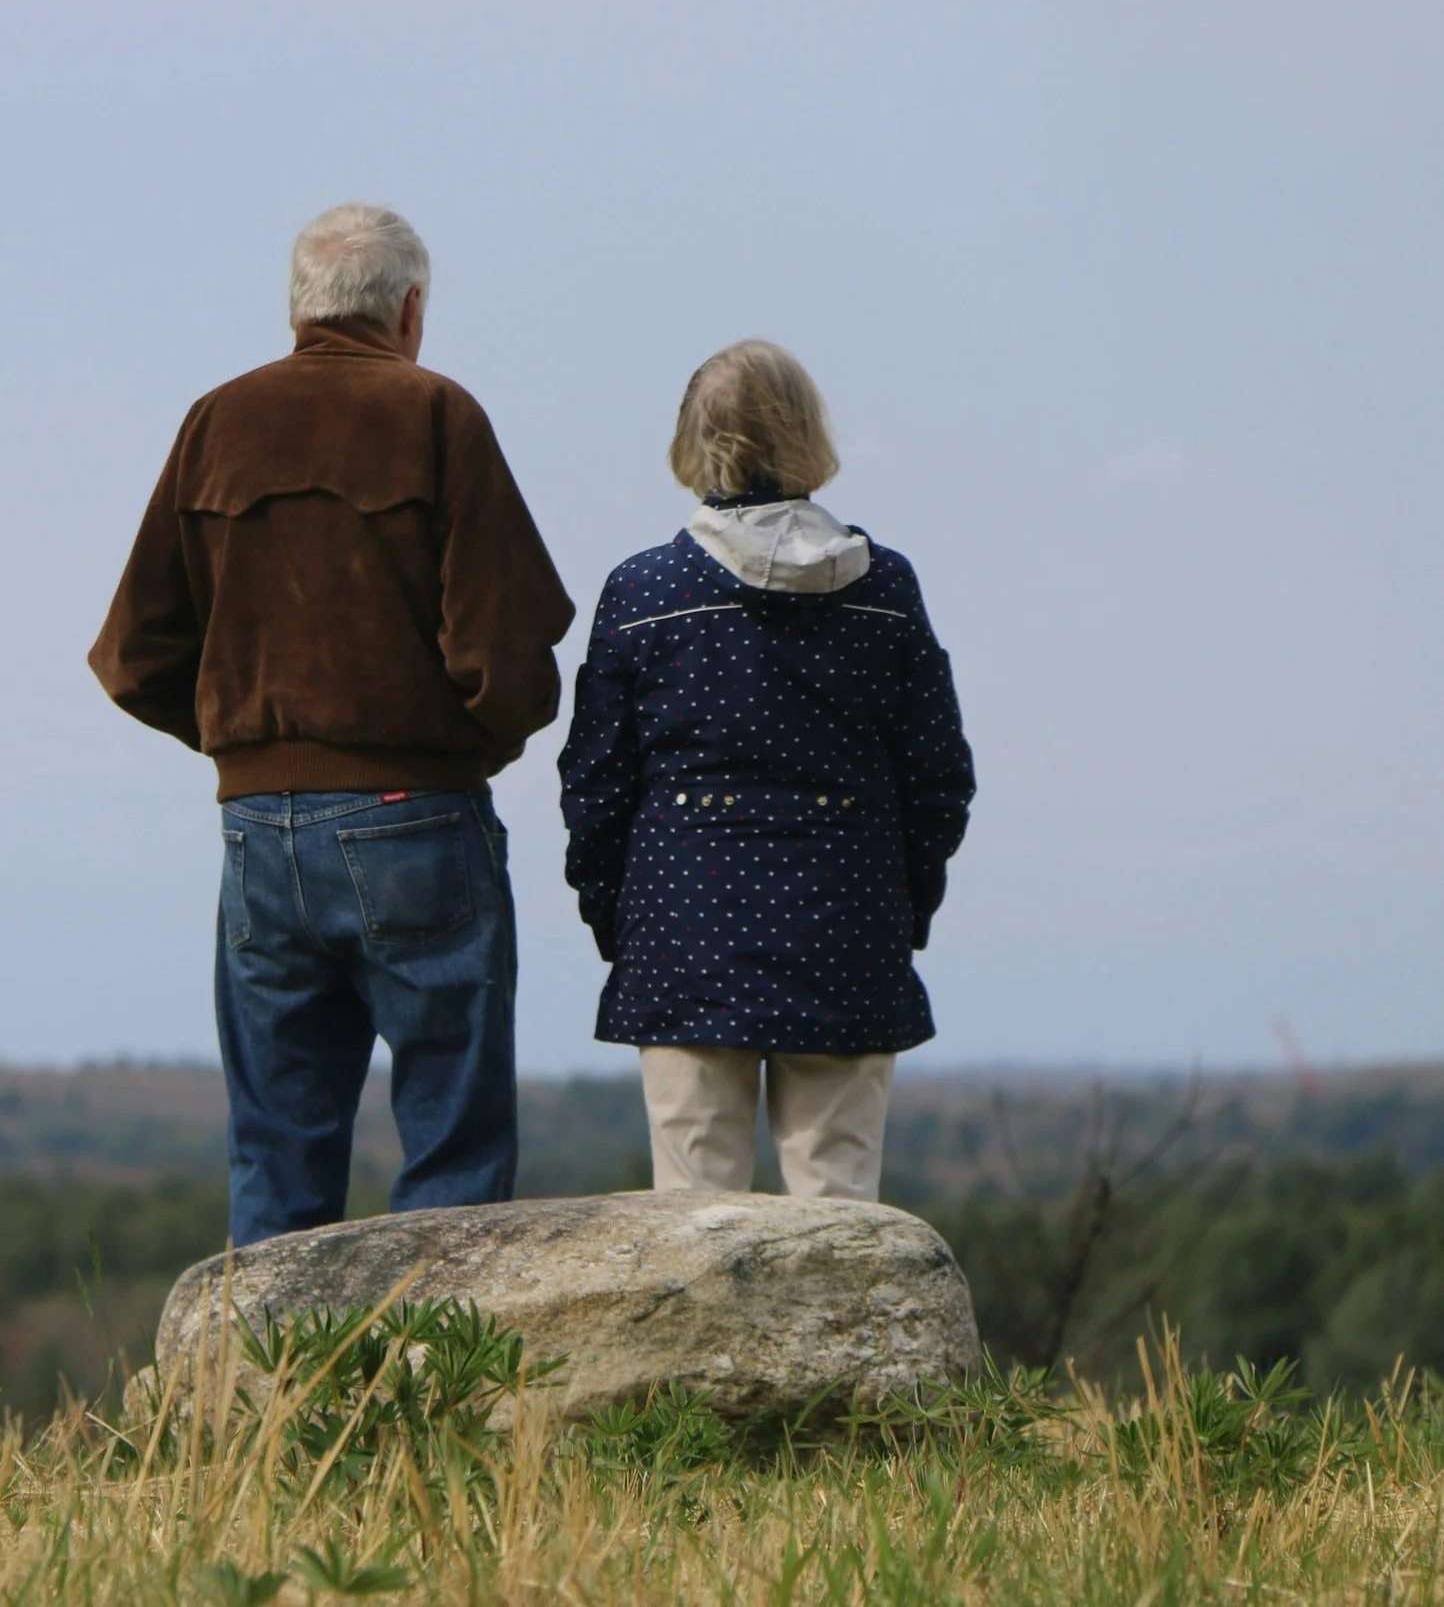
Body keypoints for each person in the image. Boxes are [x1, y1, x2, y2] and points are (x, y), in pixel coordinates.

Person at [90, 203, 574, 1246]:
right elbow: (509, 655)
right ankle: (435, 1396)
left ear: (300, 306)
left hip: (256, 831)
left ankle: (267, 1401)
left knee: (275, 1148)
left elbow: (133, 657)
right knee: (451, 1143)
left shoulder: (214, 422)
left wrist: (252, 750)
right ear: (409, 309)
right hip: (418, 820)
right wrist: (459, 749)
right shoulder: (437, 415)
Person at [558, 340, 974, 1201]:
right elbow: (939, 781)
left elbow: (595, 786)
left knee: (692, 1219)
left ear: (693, 442)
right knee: (841, 1218)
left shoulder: (645, 593)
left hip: (684, 925)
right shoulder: (884, 591)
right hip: (848, 924)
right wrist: (901, 907)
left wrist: (618, 921)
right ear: (808, 434)